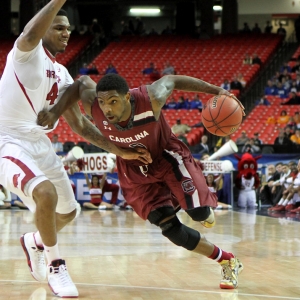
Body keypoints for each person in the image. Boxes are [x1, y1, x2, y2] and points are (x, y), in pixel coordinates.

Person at [38, 73, 245, 289]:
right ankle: (227, 260)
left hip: (166, 157)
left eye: (113, 102)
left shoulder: (151, 98)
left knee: (200, 213)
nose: (107, 109)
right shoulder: (95, 105)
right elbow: (80, 83)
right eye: (102, 102)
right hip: (134, 170)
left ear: (127, 97)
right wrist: (55, 113)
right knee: (170, 230)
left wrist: (218, 91)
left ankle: (193, 204)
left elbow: (173, 80)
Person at [0, 1, 151, 298]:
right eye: (59, 27)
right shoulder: (24, 54)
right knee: (45, 193)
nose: (66, 33)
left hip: (40, 144)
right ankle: (56, 265)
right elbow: (30, 32)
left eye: (69, 28)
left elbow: (81, 126)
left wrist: (119, 150)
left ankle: (35, 240)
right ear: (44, 30)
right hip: (8, 140)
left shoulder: (63, 74)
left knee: (69, 211)